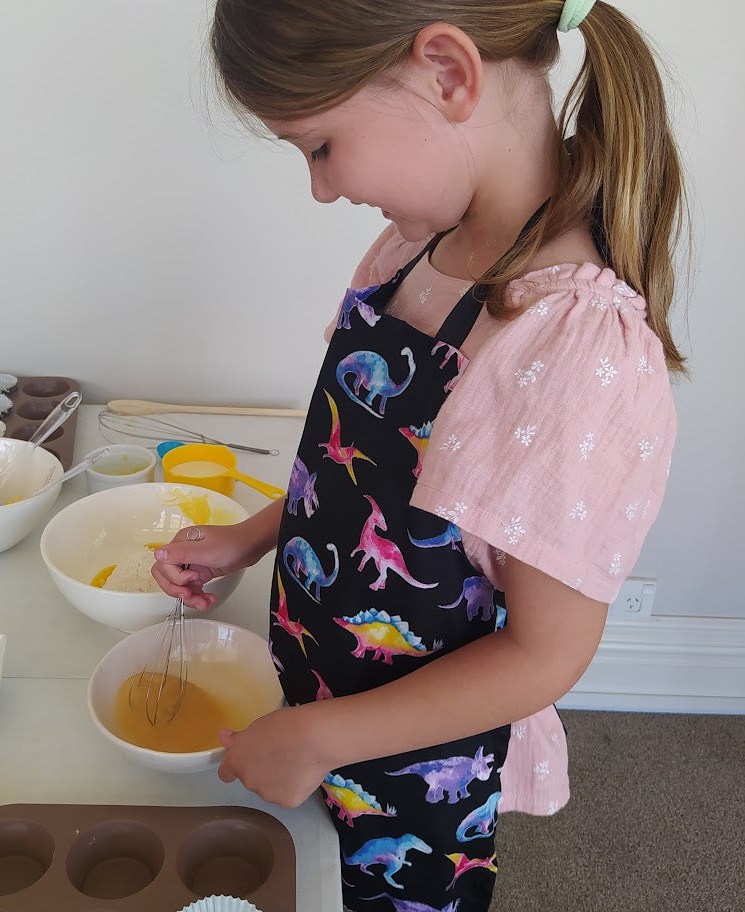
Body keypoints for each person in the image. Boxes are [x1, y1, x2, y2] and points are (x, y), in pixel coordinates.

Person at [152, 1, 686, 909]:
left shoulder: (572, 347)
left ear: (447, 72)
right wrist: (254, 535)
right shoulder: (411, 250)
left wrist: (323, 739)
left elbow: (542, 656)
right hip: (314, 694)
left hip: (415, 774)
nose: (320, 188)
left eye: (319, 146)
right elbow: (366, 480)